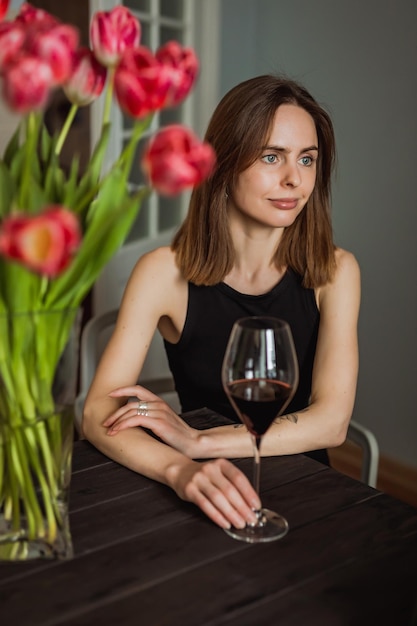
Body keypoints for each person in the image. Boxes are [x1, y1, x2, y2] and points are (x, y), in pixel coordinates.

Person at [82, 74, 360, 532]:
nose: (294, 179)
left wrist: (197, 442)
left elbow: (331, 425)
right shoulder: (162, 272)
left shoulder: (337, 271)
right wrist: (180, 470)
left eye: (307, 159)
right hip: (200, 494)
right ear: (224, 165)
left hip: (305, 490)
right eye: (272, 157)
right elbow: (97, 411)